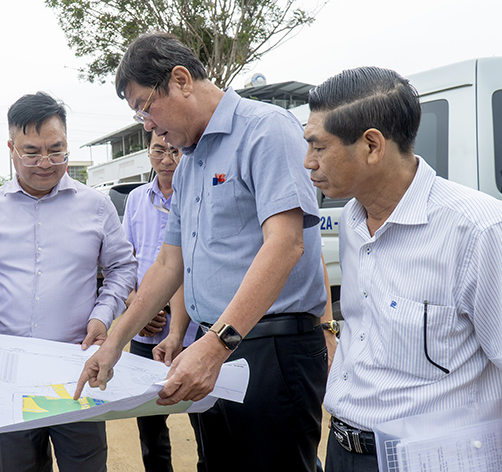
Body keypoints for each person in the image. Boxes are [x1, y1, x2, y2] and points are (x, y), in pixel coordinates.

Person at [76, 32, 328, 472]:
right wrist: (115, 342)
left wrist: (215, 347)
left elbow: (285, 244)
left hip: (269, 350)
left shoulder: (265, 129)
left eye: (145, 107)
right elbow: (170, 262)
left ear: (181, 79)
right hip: (214, 348)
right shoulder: (190, 158)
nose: (147, 125)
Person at [303, 66, 502, 472]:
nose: (307, 162)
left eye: (318, 147)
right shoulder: (353, 221)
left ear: (371, 145)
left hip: (432, 460)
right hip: (343, 451)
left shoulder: (478, 228)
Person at [0, 91, 137, 472]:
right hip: (8, 374)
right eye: (32, 152)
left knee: (85, 466)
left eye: (57, 150)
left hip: (76, 371)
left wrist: (102, 316)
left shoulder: (96, 206)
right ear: (11, 148)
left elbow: (122, 268)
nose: (46, 163)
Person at [123, 130, 204, 472]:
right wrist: (135, 302)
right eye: (159, 151)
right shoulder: (136, 200)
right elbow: (125, 263)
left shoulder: (198, 197)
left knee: (206, 420)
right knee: (150, 426)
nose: (167, 160)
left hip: (196, 333)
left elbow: (185, 264)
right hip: (147, 330)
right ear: (148, 153)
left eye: (174, 151)